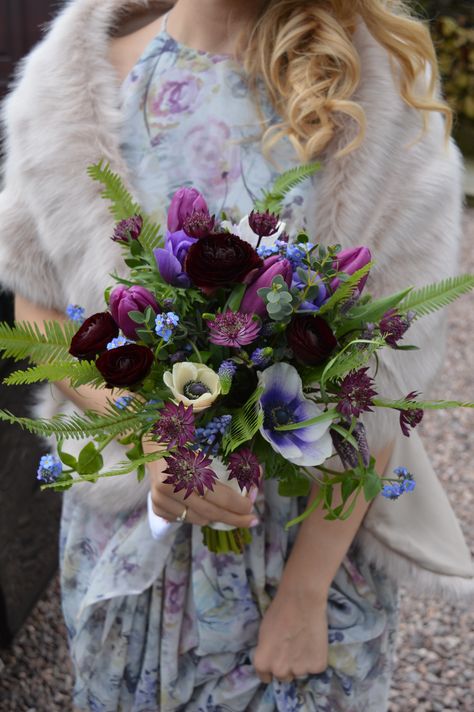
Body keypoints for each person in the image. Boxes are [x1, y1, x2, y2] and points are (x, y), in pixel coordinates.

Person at [1, 0, 473, 709]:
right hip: (133, 542)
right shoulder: (68, 86)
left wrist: (306, 593)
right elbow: (36, 305)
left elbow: (384, 381)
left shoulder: (376, 91)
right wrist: (150, 439)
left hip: (304, 553)